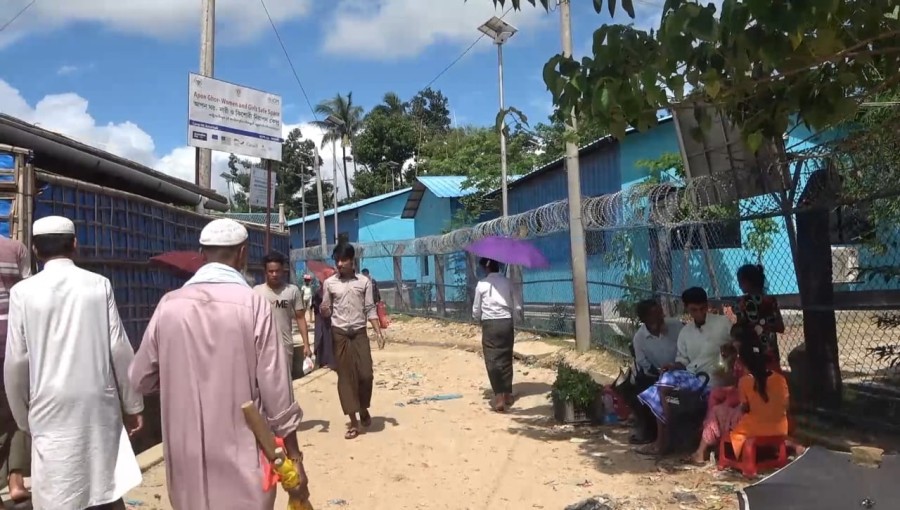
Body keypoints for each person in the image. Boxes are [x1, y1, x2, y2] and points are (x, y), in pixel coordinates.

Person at [129, 218, 307, 509]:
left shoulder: (168, 305)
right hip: (244, 457)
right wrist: (295, 457)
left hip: (187, 461)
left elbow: (139, 378)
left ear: (202, 254)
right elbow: (277, 393)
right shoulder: (254, 305)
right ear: (242, 253)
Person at [5, 216, 144, 510]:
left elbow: (17, 361)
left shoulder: (22, 293)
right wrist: (133, 405)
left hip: (48, 405)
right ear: (75, 245)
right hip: (98, 404)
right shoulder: (99, 285)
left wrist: (22, 416)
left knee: (58, 487)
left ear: (35, 249)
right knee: (103, 482)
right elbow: (119, 348)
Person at [636, 287, 732, 456]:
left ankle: (663, 441)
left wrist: (730, 352)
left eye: (702, 308)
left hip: (713, 379)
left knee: (661, 389)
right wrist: (673, 366)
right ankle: (664, 440)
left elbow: (736, 346)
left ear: (707, 305)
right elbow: (683, 361)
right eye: (694, 310)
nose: (699, 313)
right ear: (687, 308)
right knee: (663, 382)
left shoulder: (723, 323)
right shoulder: (685, 332)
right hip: (691, 377)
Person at [320, 243, 384, 440]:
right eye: (337, 261)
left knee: (366, 374)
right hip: (339, 334)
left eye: (343, 260)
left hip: (359, 333)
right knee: (346, 377)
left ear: (352, 261)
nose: (339, 264)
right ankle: (354, 422)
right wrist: (325, 310)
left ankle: (363, 407)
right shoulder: (329, 283)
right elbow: (327, 307)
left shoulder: (364, 282)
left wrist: (378, 332)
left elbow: (370, 308)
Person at [688, 324, 751, 464]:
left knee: (723, 405)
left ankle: (706, 443)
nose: (734, 342)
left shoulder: (750, 356)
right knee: (715, 393)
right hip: (739, 388)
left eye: (737, 340)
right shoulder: (738, 354)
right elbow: (733, 378)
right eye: (734, 339)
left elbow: (747, 383)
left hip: (747, 393)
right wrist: (729, 358)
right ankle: (708, 430)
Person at [625, 299, 683, 445]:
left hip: (680, 370)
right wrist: (659, 373)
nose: (660, 316)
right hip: (656, 374)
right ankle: (648, 432)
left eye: (660, 312)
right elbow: (643, 363)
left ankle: (669, 436)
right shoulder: (639, 338)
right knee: (639, 391)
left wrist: (676, 366)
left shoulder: (676, 326)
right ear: (645, 319)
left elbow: (686, 349)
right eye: (654, 314)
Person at [0, 232, 31, 505]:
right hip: (12, 343)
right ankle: (16, 480)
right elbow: (27, 296)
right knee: (19, 413)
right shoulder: (15, 249)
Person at [472, 257, 521, 413]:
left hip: (490, 324)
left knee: (492, 359)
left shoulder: (481, 285)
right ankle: (507, 394)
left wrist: (477, 318)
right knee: (506, 357)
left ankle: (498, 396)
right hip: (506, 323)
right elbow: (517, 305)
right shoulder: (508, 282)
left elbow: (476, 309)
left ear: (486, 269)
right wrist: (514, 319)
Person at [729, 336, 791, 459]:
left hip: (755, 431)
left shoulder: (744, 382)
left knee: (733, 420)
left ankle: (737, 454)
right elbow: (787, 405)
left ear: (743, 362)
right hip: (781, 430)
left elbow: (744, 408)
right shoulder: (781, 379)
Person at [254, 252, 311, 377]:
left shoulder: (292, 291)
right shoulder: (256, 292)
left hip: (285, 346)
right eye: (271, 271)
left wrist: (306, 344)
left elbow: (300, 318)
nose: (274, 274)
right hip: (262, 347)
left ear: (283, 271)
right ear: (265, 272)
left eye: (277, 271)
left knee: (285, 382)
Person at [735, 264, 785, 370]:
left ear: (747, 282)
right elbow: (781, 327)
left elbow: (739, 331)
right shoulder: (770, 300)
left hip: (750, 355)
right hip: (770, 353)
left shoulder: (741, 303)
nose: (739, 286)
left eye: (740, 282)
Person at [312, 269, 336, 370]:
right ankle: (322, 361)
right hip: (321, 319)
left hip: (330, 319)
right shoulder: (318, 292)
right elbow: (315, 306)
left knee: (329, 339)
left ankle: (330, 361)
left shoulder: (331, 291)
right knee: (321, 338)